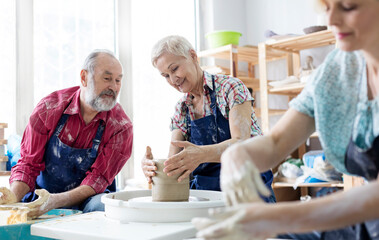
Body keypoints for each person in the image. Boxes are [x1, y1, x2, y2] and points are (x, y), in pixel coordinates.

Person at [192, 0, 379, 239]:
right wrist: (238, 154)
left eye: (349, 6)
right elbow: (276, 142)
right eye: (327, 8)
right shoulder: (338, 69)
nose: (331, 21)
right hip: (362, 221)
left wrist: (272, 218)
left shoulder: (231, 89)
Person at [141, 35, 275, 202]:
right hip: (206, 196)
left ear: (193, 56)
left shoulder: (230, 88)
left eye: (174, 69)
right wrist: (153, 168)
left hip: (247, 187)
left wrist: (200, 154)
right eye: (165, 76)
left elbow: (241, 143)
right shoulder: (182, 108)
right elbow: (173, 165)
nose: (173, 79)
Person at [0, 49, 133, 217]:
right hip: (42, 195)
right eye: (107, 79)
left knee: (103, 207)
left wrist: (55, 201)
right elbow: (28, 164)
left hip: (88, 199)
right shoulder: (49, 108)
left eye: (118, 81)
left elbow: (97, 180)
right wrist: (13, 197)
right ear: (84, 77)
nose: (113, 87)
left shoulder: (121, 127)